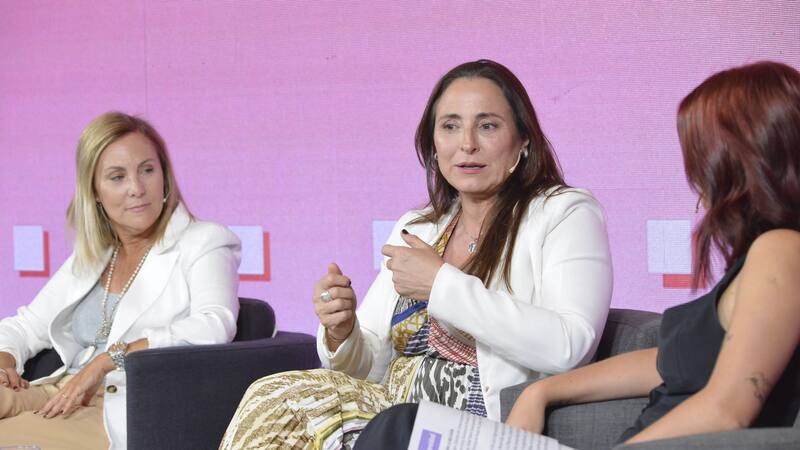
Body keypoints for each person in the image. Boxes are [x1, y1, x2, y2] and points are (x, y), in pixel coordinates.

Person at [356, 60, 800, 449]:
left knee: (398, 430)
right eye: (449, 126)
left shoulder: (782, 251)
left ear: (748, 155)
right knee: (390, 425)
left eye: (702, 153)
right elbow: (667, 360)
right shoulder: (763, 255)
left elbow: (727, 412)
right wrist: (541, 394)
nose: (694, 172)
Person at [220, 59, 612, 449]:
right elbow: (369, 365)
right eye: (450, 126)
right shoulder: (422, 226)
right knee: (275, 396)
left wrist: (441, 284)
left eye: (487, 125)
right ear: (434, 143)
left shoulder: (564, 213)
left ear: (523, 142)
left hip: (474, 424)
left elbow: (569, 345)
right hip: (388, 412)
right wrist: (343, 332)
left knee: (284, 403)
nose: (467, 143)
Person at [0, 112, 241, 449]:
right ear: (94, 191)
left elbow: (214, 325)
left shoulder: (203, 241)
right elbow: (27, 325)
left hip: (118, 407)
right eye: (117, 177)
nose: (137, 189)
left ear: (165, 177)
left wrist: (111, 358)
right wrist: (5, 358)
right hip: (57, 391)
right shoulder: (96, 255)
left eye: (147, 170)